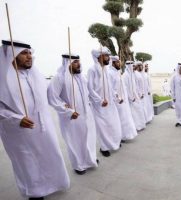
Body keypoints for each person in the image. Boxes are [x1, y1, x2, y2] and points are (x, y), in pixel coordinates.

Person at [0, 40, 70, 200]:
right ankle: (35, 192)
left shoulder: (37, 76)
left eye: (30, 53)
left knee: (50, 156)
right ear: (12, 55)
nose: (29, 56)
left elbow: (52, 96)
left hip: (44, 129)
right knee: (28, 162)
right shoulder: (2, 79)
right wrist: (16, 119)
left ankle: (53, 184)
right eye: (24, 53)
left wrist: (66, 106)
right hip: (19, 132)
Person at [47, 54, 98, 175]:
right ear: (67, 63)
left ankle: (89, 159)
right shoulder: (59, 78)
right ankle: (79, 165)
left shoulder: (82, 78)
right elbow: (52, 98)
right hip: (71, 117)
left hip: (86, 114)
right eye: (75, 62)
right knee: (75, 141)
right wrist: (68, 111)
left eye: (79, 61)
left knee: (89, 138)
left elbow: (88, 94)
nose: (78, 64)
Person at [87, 47, 122, 157]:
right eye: (106, 56)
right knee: (103, 127)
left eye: (108, 56)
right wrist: (100, 100)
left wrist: (116, 98)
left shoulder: (105, 70)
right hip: (99, 106)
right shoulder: (92, 70)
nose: (108, 58)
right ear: (99, 57)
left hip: (110, 104)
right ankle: (104, 147)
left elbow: (110, 87)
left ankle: (114, 143)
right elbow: (90, 88)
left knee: (113, 124)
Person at [108, 56, 138, 141]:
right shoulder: (110, 73)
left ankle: (123, 136)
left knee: (125, 119)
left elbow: (123, 86)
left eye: (119, 62)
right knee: (119, 120)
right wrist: (118, 98)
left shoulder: (118, 73)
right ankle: (119, 137)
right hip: (117, 101)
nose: (119, 64)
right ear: (113, 63)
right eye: (117, 62)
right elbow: (111, 88)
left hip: (123, 101)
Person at [123, 61, 146, 131]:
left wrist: (138, 94)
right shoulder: (125, 75)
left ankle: (139, 125)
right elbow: (126, 88)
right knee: (133, 113)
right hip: (130, 98)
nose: (134, 67)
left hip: (135, 96)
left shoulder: (131, 75)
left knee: (138, 110)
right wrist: (131, 97)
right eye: (132, 66)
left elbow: (135, 87)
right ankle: (135, 127)